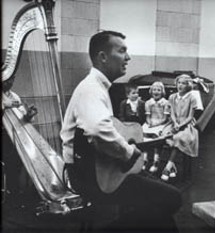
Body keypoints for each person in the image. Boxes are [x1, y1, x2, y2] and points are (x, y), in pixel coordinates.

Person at [60, 30, 182, 232]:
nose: (128, 57)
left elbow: (103, 130)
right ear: (103, 57)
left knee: (160, 206)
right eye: (122, 51)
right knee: (171, 199)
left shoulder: (97, 87)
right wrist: (127, 152)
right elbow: (99, 130)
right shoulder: (91, 89)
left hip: (96, 168)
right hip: (88, 177)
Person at [161, 74, 199, 181]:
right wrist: (175, 124)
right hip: (174, 123)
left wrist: (180, 126)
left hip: (187, 124)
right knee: (166, 136)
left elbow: (190, 117)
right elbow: (172, 113)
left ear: (188, 85)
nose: (180, 85)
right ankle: (172, 167)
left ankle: (168, 167)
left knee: (179, 138)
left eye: (183, 83)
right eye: (179, 83)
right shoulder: (172, 97)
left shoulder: (192, 98)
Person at [142, 81, 170, 172]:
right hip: (151, 122)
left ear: (162, 92)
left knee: (156, 137)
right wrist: (150, 123)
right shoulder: (148, 103)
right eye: (154, 89)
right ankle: (144, 159)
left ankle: (156, 161)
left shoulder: (165, 103)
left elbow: (165, 118)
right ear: (151, 91)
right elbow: (148, 117)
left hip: (161, 123)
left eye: (158, 90)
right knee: (144, 136)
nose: (156, 92)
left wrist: (156, 125)